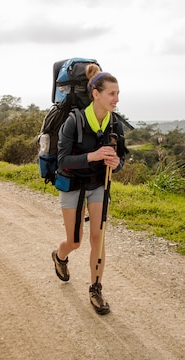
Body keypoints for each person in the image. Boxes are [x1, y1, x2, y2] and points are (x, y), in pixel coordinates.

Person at [51, 64, 126, 315]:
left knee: (98, 238)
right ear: (96, 94)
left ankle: (96, 289)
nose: (117, 99)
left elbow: (121, 159)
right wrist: (93, 156)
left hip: (97, 186)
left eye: (118, 93)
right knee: (75, 241)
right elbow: (62, 160)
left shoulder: (115, 125)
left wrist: (116, 164)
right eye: (111, 94)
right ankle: (60, 256)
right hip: (72, 184)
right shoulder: (74, 122)